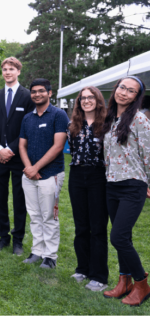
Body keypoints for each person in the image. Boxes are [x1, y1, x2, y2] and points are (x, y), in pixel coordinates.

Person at [100, 76, 150, 306]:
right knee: (124, 236)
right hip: (112, 184)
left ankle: (142, 284)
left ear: (136, 96)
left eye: (131, 91)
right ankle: (124, 281)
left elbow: (148, 153)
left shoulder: (139, 119)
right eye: (122, 87)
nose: (124, 93)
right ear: (116, 88)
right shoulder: (110, 119)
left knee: (118, 237)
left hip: (133, 184)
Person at [0, 57, 35, 255]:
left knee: (19, 199)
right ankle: (3, 237)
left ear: (18, 72)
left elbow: (28, 127)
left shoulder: (28, 96)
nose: (7, 72)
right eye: (5, 69)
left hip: (19, 157)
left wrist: (10, 150)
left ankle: (18, 240)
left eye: (11, 69)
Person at [18, 78, 69, 269]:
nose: (37, 94)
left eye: (41, 91)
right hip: (29, 175)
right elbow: (22, 145)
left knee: (49, 216)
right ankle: (37, 251)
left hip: (51, 175)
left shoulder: (58, 115)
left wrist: (36, 168)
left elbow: (58, 147)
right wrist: (29, 168)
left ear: (50, 93)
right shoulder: (27, 118)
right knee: (34, 215)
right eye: (33, 91)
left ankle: (50, 256)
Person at [67, 86, 109, 291]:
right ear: (78, 102)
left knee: (98, 227)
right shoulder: (73, 124)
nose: (86, 101)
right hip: (76, 175)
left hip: (98, 176)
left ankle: (99, 275)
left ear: (98, 100)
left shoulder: (107, 124)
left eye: (90, 97)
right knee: (81, 226)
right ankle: (82, 269)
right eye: (82, 98)